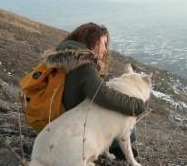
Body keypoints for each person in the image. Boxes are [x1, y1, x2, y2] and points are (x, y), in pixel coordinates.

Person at [44, 22, 144, 160]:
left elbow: (86, 86)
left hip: (59, 118)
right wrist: (136, 105)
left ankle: (108, 148)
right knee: (132, 133)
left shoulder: (67, 56)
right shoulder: (84, 66)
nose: (105, 49)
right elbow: (102, 95)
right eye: (104, 43)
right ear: (93, 41)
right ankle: (106, 149)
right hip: (73, 129)